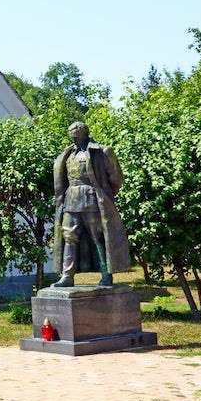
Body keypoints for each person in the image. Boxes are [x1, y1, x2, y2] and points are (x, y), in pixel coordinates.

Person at [52, 122, 130, 287]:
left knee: (98, 237)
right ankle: (67, 276)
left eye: (75, 133)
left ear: (84, 133)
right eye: (70, 133)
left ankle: (106, 275)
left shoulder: (102, 152)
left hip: (92, 200)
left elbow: (116, 179)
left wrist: (105, 195)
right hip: (71, 200)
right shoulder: (67, 153)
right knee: (69, 237)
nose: (72, 136)